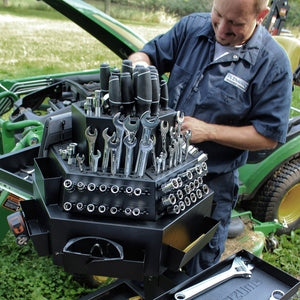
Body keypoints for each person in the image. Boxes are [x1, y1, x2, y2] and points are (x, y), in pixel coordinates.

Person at [129, 0, 292, 275]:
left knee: (197, 263)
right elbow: (144, 55)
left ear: (261, 16)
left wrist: (208, 131)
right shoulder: (193, 27)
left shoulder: (273, 63)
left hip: (212, 183)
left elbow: (268, 136)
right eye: (218, 15)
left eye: (236, 23)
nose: (222, 29)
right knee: (152, 255)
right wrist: (141, 69)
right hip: (159, 170)